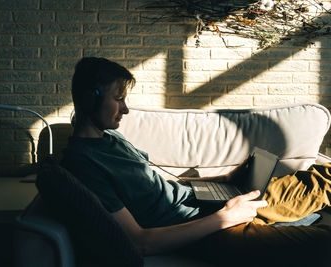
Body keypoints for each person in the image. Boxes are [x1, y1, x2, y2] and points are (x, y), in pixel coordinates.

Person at [61, 57, 331, 266]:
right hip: (205, 229)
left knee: (322, 178)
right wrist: (225, 217)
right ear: (89, 99)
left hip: (210, 205)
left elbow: (154, 188)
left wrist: (223, 180)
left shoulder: (110, 139)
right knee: (321, 245)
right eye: (118, 99)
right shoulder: (82, 163)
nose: (126, 109)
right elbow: (140, 242)